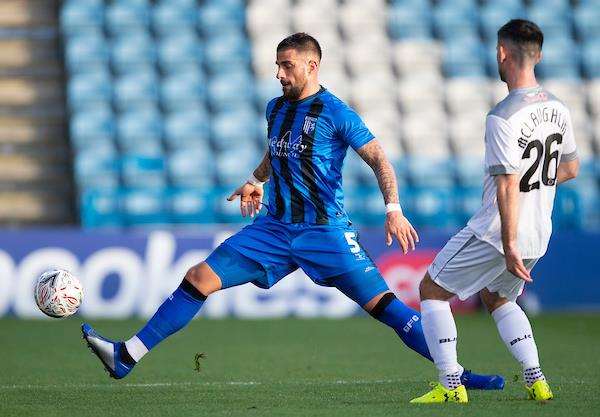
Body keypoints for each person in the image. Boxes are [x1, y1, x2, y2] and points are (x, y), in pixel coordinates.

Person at [82, 33, 502, 390]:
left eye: (287, 66)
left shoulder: (336, 112)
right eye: (277, 66)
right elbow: (277, 152)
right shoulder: (276, 108)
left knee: (389, 311)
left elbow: (378, 157)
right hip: (275, 229)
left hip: (326, 232)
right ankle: (127, 356)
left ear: (312, 65)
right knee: (198, 278)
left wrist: (393, 209)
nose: (280, 74)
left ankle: (456, 375)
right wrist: (256, 178)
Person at [410, 20, 579, 404]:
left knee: (432, 290)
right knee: (499, 297)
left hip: (499, 231)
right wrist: (535, 193)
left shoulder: (502, 115)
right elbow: (570, 168)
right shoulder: (558, 107)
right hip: (539, 231)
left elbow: (506, 185)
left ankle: (450, 384)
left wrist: (508, 242)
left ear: (502, 53)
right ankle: (536, 379)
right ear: (538, 55)